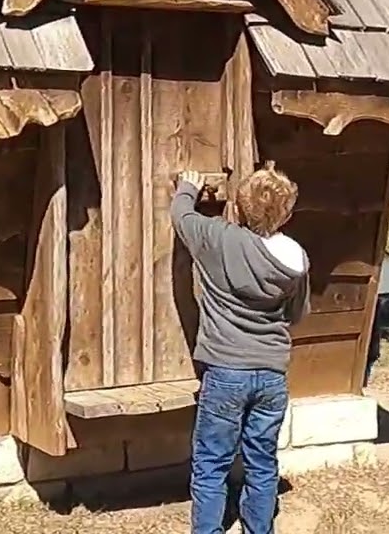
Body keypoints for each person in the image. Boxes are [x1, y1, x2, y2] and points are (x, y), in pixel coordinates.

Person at [171, 164, 310, 534]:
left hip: (226, 371)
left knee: (212, 462)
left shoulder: (219, 238)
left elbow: (181, 217)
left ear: (239, 204)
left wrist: (188, 186)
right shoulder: (296, 259)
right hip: (271, 374)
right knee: (262, 461)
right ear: (288, 212)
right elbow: (296, 314)